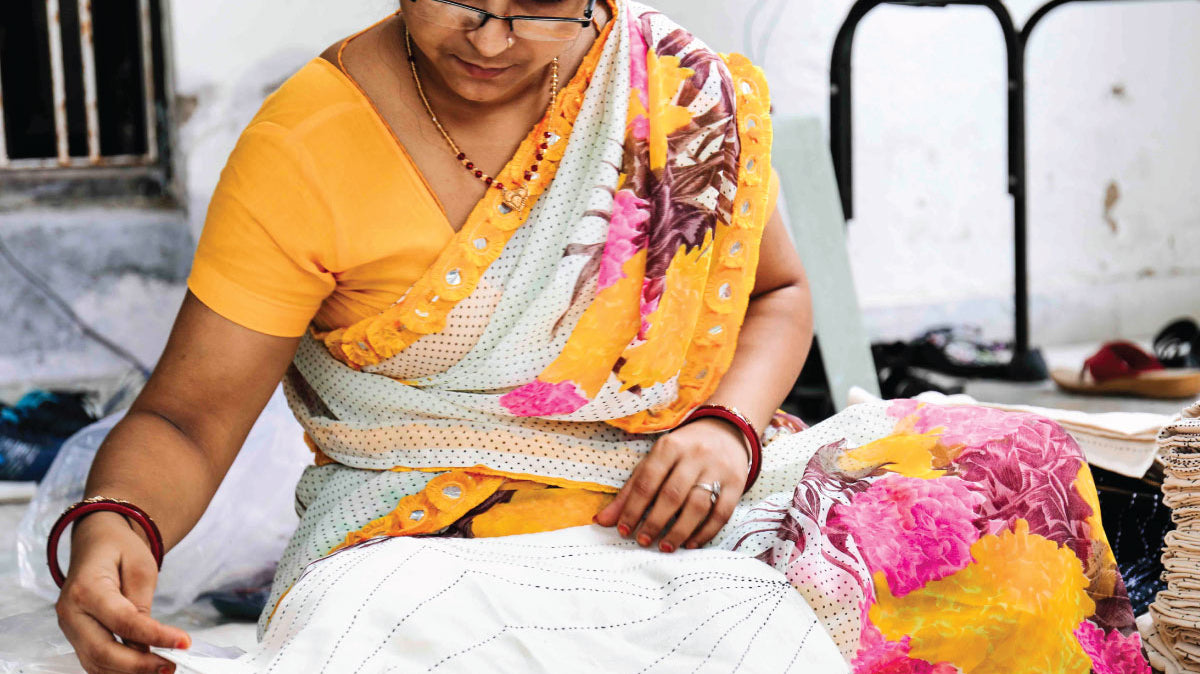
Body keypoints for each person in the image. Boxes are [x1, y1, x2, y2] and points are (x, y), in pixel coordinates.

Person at [51, 1, 1146, 673]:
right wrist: (116, 530)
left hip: (678, 504)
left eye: (538, 5)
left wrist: (726, 426)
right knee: (379, 627)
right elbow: (188, 417)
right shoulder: (305, 145)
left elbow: (779, 293)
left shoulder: (669, 90)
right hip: (437, 545)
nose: (490, 35)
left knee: (1008, 468)